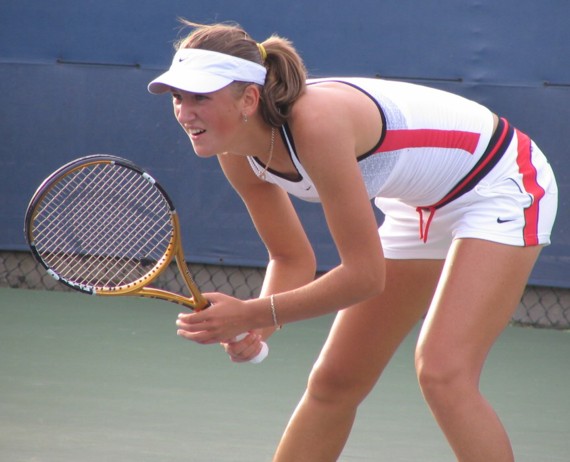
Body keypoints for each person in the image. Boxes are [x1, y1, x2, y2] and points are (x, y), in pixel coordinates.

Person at [147, 20, 558, 462]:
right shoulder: (235, 152)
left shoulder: (317, 124)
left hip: (501, 180)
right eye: (178, 98)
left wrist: (251, 311)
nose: (185, 113)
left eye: (200, 98)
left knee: (443, 372)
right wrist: (257, 325)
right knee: (334, 381)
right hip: (416, 204)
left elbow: (365, 277)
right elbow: (290, 257)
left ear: (248, 98)